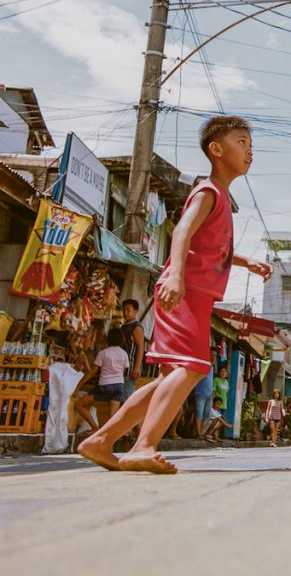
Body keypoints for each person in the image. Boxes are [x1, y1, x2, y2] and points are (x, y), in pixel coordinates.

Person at [76, 115, 272, 473]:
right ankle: (142, 446)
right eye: (241, 142)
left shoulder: (222, 198)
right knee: (193, 367)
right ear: (216, 150)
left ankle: (100, 441)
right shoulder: (208, 191)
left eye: (250, 144)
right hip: (186, 293)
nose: (249, 151)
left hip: (197, 293)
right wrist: (177, 276)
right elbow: (181, 232)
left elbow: (210, 245)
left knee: (171, 377)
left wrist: (246, 262)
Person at [73, 325, 129, 435]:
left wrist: (79, 385)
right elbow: (123, 371)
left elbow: (93, 372)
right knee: (112, 416)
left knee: (79, 405)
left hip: (105, 386)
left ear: (109, 338)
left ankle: (95, 428)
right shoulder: (124, 354)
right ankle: (116, 435)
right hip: (119, 386)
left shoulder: (103, 353)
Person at [121, 299, 146, 398]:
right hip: (124, 367)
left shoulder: (136, 327)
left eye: (128, 310)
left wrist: (136, 367)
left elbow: (140, 347)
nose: (125, 313)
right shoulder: (125, 326)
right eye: (124, 310)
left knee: (127, 396)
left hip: (130, 367)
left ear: (135, 312)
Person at [193, 360, 215, 439]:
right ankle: (198, 434)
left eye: (215, 356)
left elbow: (210, 380)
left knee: (207, 415)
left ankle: (202, 433)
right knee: (199, 414)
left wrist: (212, 390)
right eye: (212, 355)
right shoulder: (203, 365)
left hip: (209, 394)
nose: (214, 358)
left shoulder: (212, 368)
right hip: (200, 393)